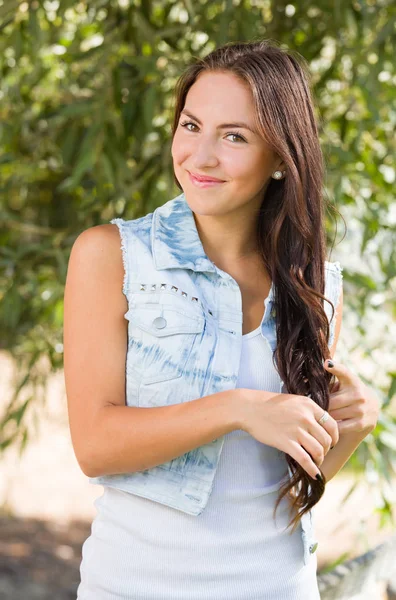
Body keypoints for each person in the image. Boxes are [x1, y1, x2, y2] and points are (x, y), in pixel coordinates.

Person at [63, 39, 379, 600]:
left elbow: (276, 488)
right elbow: (95, 443)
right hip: (136, 586)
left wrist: (345, 432)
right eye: (191, 126)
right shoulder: (112, 256)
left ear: (282, 157)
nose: (199, 156)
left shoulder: (313, 282)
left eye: (233, 136)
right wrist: (238, 409)